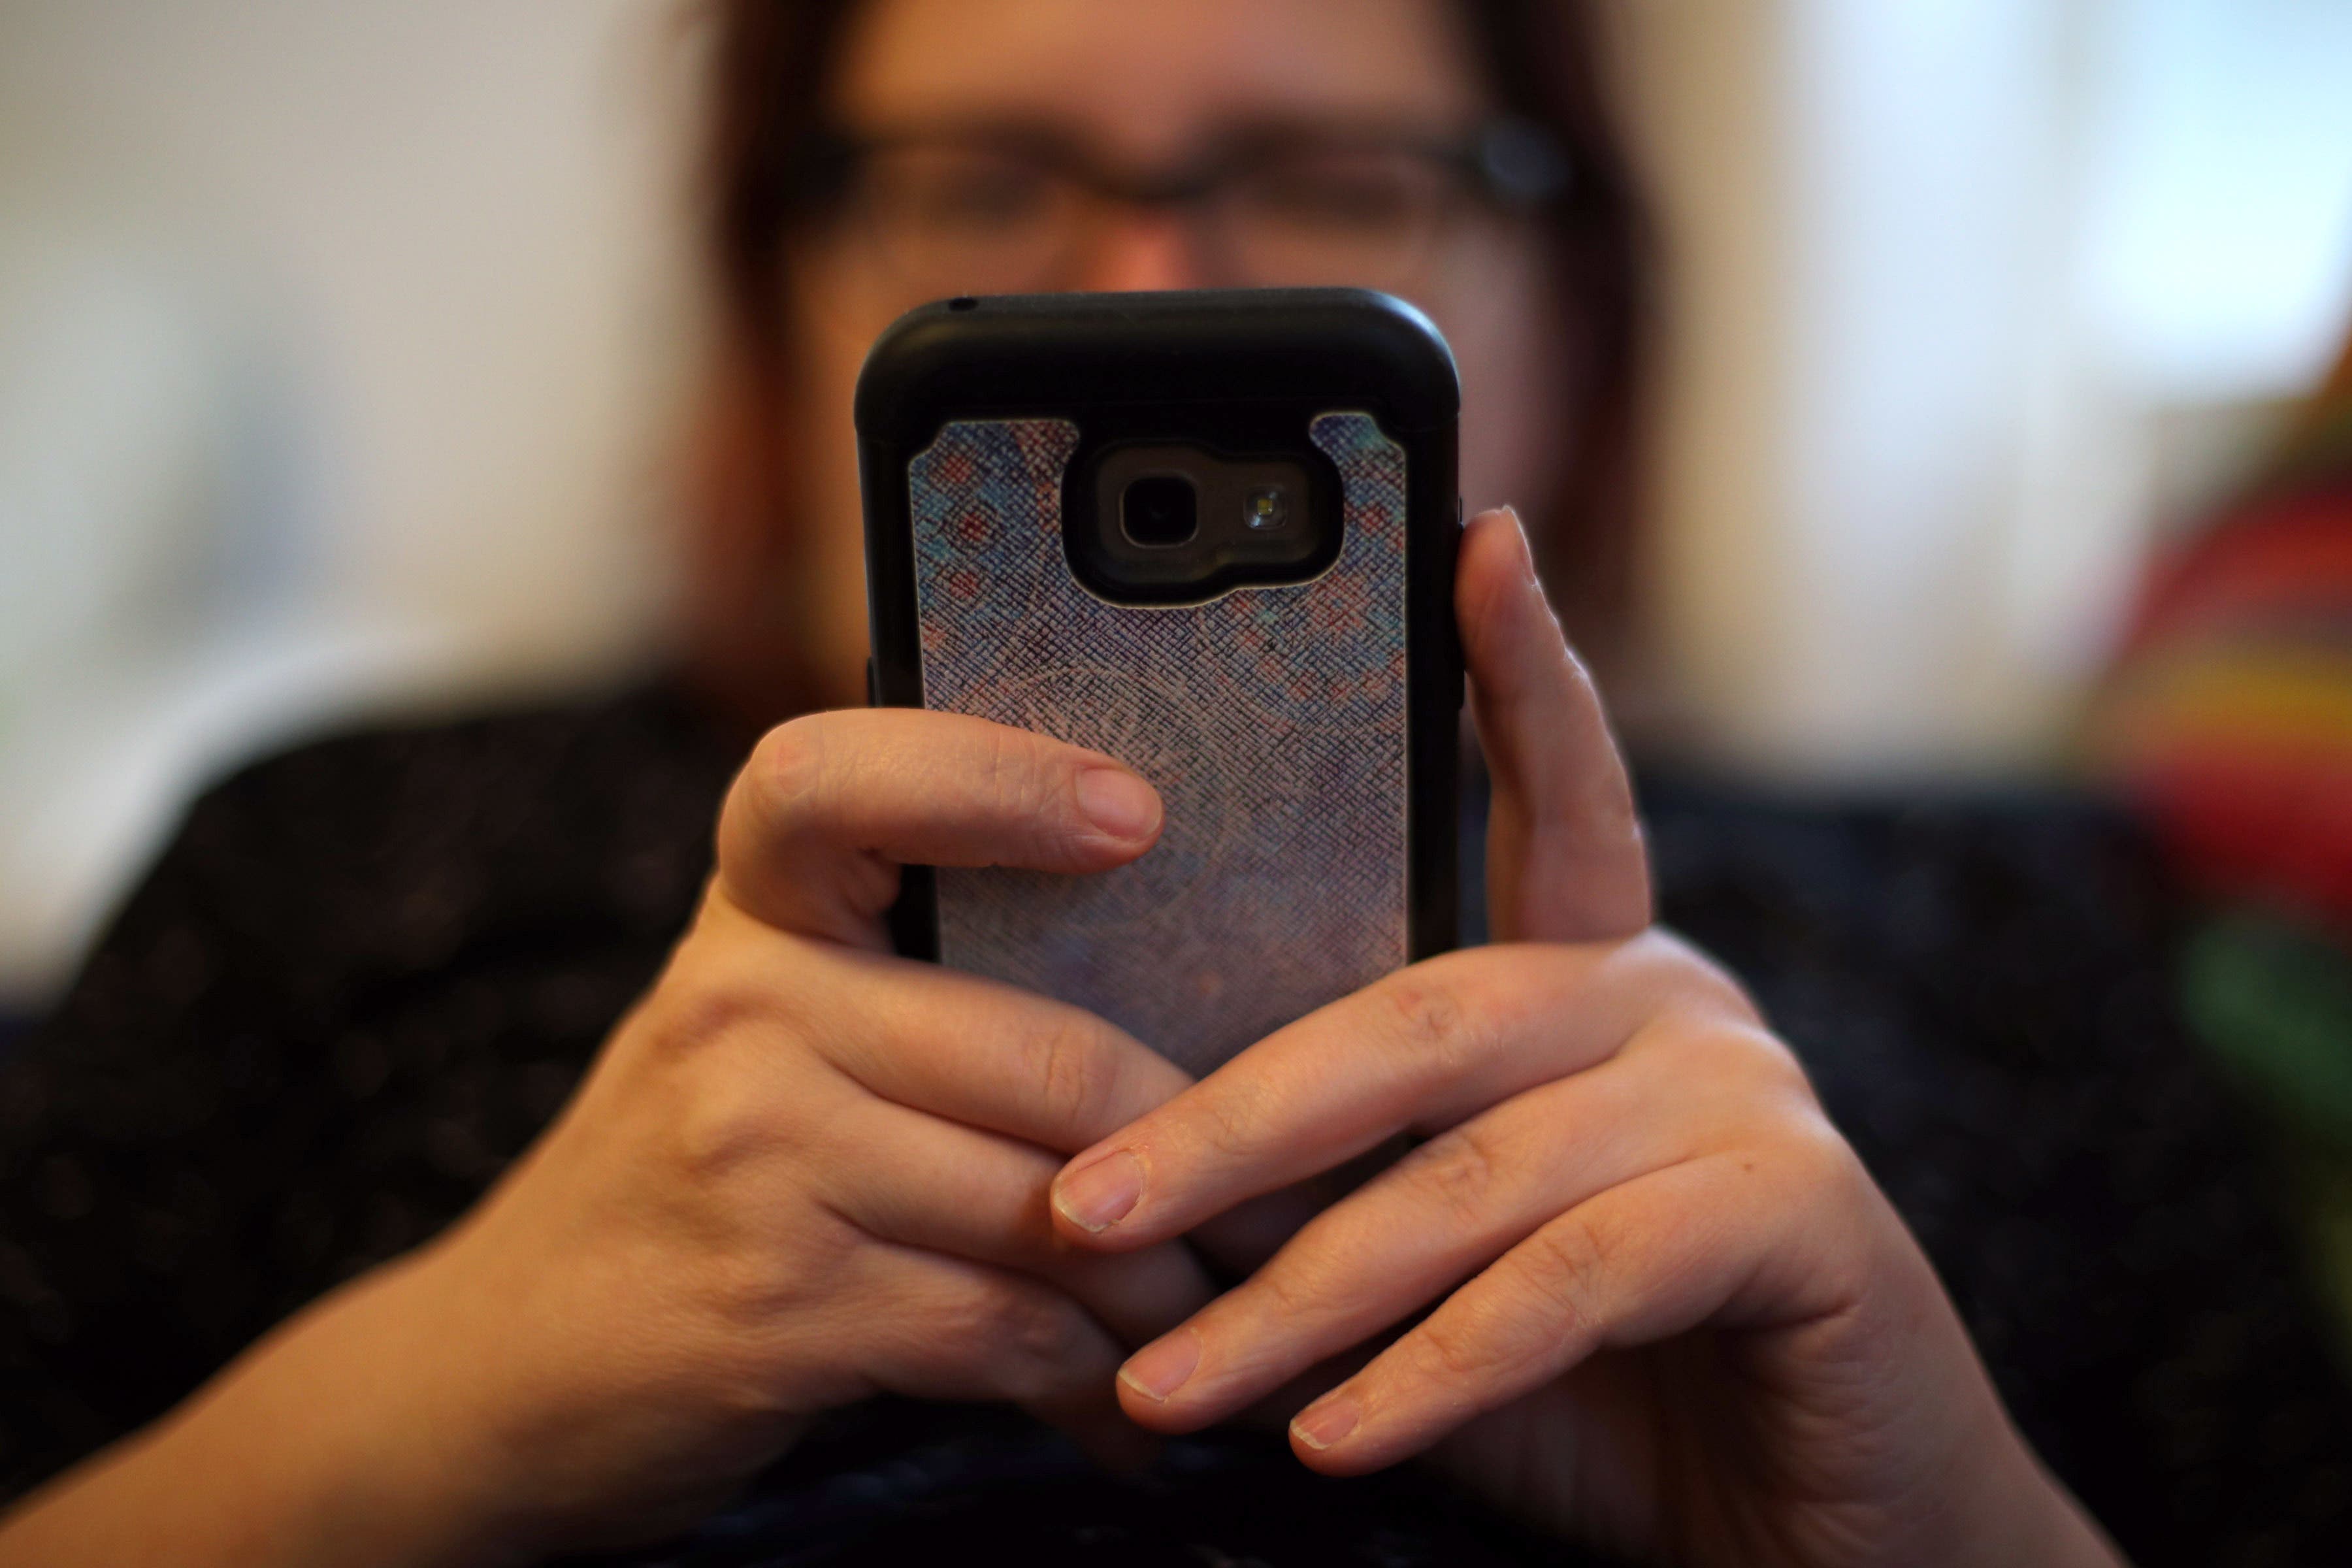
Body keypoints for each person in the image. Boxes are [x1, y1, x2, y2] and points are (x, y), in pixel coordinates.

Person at [0, 3, 2343, 1563]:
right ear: (778, 290)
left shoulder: (2008, 914)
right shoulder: (337, 849)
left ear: (1577, 302)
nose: (1143, 283)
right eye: (985, 183)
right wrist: (415, 1413)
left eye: (1332, 180)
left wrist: (1950, 1528)